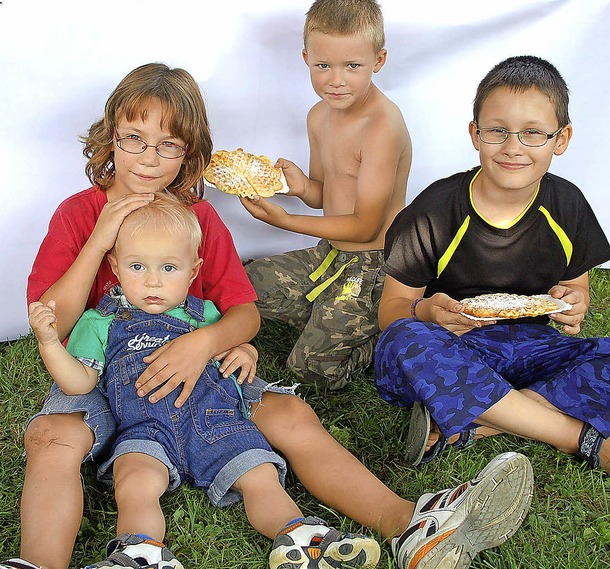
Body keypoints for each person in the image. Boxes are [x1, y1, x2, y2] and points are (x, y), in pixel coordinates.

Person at [2, 62, 533, 569]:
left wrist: (209, 343)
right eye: (133, 139)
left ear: (189, 153)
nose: (147, 157)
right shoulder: (79, 213)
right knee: (53, 436)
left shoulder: (199, 219)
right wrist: (100, 238)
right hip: (99, 368)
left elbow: (242, 312)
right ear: (109, 137)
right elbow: (57, 320)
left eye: (168, 145)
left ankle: (409, 527)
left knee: (291, 416)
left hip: (198, 371)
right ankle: (39, 560)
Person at [27, 194, 382, 569]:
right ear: (113, 267)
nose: (152, 281)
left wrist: (246, 351)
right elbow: (79, 383)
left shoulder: (205, 316)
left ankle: (300, 539)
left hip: (219, 423)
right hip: (144, 431)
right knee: (134, 483)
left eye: (168, 268)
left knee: (260, 477)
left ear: (193, 271)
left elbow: (233, 343)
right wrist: (51, 344)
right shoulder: (98, 323)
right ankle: (140, 552)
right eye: (137, 266)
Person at [374, 55, 610, 488]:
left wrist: (573, 305)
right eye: (497, 130)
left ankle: (483, 422)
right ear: (475, 134)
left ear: (561, 138)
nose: (513, 147)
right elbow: (391, 311)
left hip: (531, 350)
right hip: (449, 350)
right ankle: (589, 441)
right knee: (404, 339)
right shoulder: (434, 210)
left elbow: (575, 289)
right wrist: (426, 313)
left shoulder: (567, 205)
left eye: (533, 133)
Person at [241, 0, 412, 390]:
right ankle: (332, 314)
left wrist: (284, 221)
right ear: (306, 58)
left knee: (311, 372)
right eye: (323, 66)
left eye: (352, 66)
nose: (336, 80)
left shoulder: (382, 127)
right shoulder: (319, 115)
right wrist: (300, 186)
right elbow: (323, 194)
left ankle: (378, 333)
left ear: (379, 59)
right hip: (329, 253)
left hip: (372, 265)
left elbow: (366, 225)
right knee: (246, 287)